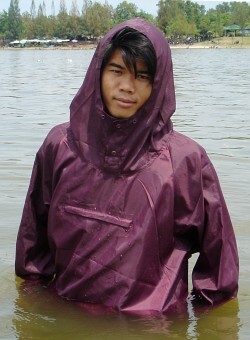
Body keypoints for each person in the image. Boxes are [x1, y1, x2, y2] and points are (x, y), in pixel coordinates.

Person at [15, 19, 239, 314]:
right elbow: (33, 251)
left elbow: (218, 274)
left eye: (142, 76)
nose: (126, 87)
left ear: (158, 84)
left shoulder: (186, 162)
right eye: (117, 71)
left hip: (151, 326)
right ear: (98, 72)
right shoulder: (59, 147)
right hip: (65, 316)